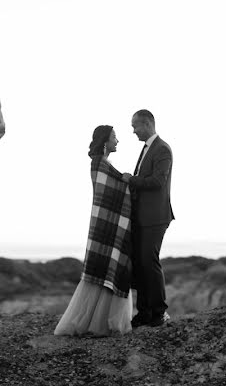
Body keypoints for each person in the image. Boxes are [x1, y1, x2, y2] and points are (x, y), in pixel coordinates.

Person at [54, 125, 133, 337]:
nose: (117, 141)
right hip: (103, 222)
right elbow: (115, 187)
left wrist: (127, 179)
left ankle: (99, 320)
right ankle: (94, 321)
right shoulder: (99, 163)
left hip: (105, 221)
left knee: (108, 265)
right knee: (101, 266)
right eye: (115, 138)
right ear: (105, 141)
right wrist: (129, 180)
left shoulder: (105, 164)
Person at [123, 109, 174, 328]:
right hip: (142, 216)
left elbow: (157, 182)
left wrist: (131, 180)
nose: (133, 131)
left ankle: (159, 312)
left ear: (147, 124)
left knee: (149, 263)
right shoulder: (148, 149)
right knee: (141, 265)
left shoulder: (162, 149)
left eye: (135, 126)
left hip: (155, 216)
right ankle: (144, 313)